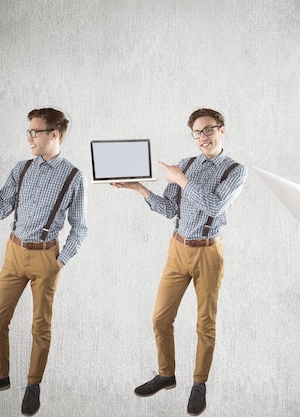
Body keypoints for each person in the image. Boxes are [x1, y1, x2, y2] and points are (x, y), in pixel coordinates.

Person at [0, 108, 88, 416]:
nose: (29, 138)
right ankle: (0, 376)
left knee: (40, 327)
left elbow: (81, 226)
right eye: (28, 132)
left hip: (46, 257)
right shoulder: (21, 168)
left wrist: (61, 261)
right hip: (13, 253)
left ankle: (33, 385)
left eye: (34, 132)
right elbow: (1, 210)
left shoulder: (74, 177)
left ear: (54, 134)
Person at [111, 108, 246, 416]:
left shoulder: (235, 170)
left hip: (208, 252)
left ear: (222, 130)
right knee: (160, 318)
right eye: (197, 133)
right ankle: (166, 374)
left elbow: (213, 205)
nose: (203, 137)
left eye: (209, 130)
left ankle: (199, 384)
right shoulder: (184, 164)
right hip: (177, 249)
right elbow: (169, 209)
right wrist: (140, 189)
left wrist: (182, 179)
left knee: (204, 323)